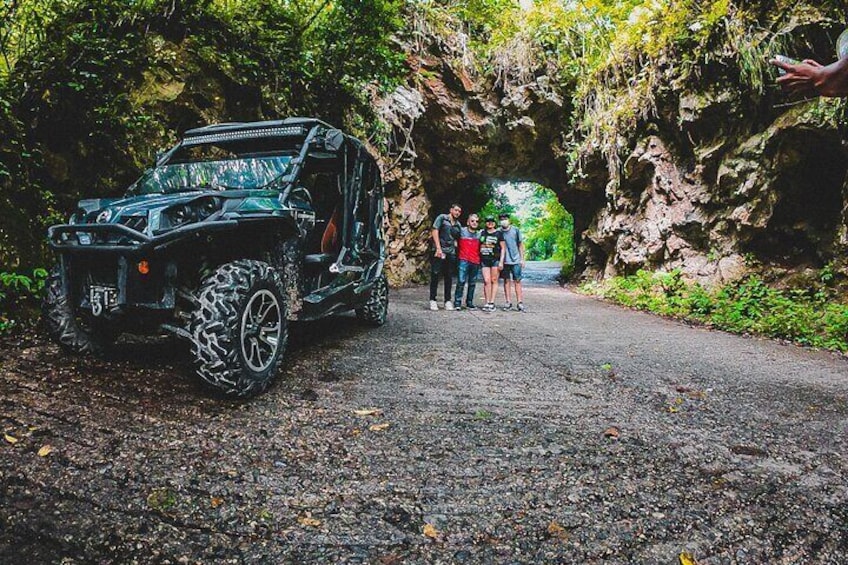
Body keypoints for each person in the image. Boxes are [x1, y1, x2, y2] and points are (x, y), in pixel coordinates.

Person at [429, 203, 462, 311]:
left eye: (459, 211)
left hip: (451, 252)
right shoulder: (442, 218)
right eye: (456, 210)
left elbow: (458, 238)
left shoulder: (458, 224)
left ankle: (447, 301)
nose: (457, 213)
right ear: (451, 209)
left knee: (449, 276)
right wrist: (438, 248)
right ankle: (432, 300)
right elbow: (435, 230)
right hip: (439, 251)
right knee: (435, 274)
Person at [453, 214, 482, 310]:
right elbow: (452, 232)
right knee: (461, 281)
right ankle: (457, 302)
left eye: (476, 221)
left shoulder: (479, 234)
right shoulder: (462, 231)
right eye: (472, 221)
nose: (474, 223)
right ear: (468, 222)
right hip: (463, 260)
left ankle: (469, 302)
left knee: (472, 283)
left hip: (475, 261)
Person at [498, 213, 526, 312]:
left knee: (517, 281)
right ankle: (508, 302)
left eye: (505, 218)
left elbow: (520, 244)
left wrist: (522, 259)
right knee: (506, 281)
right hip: (505, 261)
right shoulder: (498, 232)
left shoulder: (515, 230)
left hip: (516, 260)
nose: (503, 220)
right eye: (501, 219)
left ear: (509, 220)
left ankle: (520, 302)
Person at [478, 216, 505, 312]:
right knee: (486, 280)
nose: (490, 223)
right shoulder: (482, 233)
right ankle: (487, 301)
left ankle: (492, 302)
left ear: (495, 223)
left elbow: (503, 248)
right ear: (486, 223)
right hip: (484, 259)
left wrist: (501, 261)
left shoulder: (499, 234)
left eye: (492, 221)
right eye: (488, 221)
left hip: (495, 259)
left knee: (494, 280)